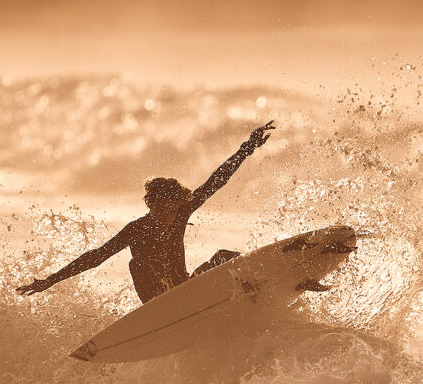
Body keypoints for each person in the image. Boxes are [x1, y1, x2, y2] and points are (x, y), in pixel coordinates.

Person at [16, 121, 275, 303]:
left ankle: (271, 284)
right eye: (158, 206)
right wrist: (50, 280)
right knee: (136, 264)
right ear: (150, 205)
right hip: (157, 300)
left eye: (170, 206)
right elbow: (96, 257)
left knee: (225, 256)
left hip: (185, 288)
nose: (165, 212)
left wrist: (248, 147)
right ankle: (160, 309)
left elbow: (217, 179)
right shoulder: (136, 229)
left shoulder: (181, 213)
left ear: (177, 203)